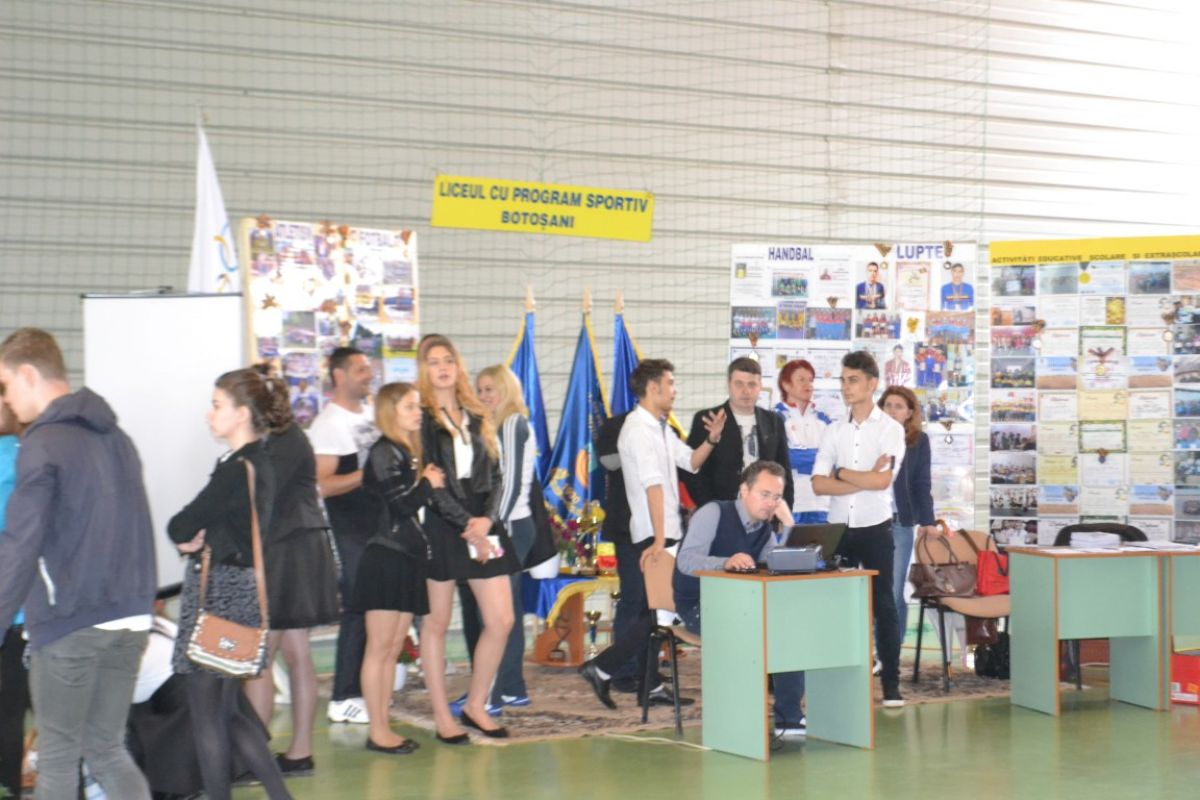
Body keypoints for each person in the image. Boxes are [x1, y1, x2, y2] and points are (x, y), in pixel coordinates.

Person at [0, 328, 156, 800]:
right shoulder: (117, 437)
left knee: (58, 759)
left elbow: (20, 543)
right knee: (106, 749)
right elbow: (139, 527)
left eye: (5, 385)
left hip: (70, 623)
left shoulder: (42, 443)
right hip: (131, 618)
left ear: (29, 375)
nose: (5, 400)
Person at [167, 368, 292, 800]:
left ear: (241, 414)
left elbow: (181, 523)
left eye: (217, 405)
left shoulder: (237, 468)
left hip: (217, 593)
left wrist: (190, 536)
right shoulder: (260, 461)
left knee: (207, 715)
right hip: (242, 592)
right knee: (229, 711)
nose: (209, 413)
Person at [578, 358, 724, 708]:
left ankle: (643, 683)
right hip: (651, 535)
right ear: (653, 388)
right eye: (670, 384)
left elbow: (691, 462)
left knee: (657, 612)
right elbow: (652, 487)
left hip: (666, 532)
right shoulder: (636, 430)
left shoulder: (660, 427)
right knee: (654, 612)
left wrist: (712, 439)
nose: (675, 390)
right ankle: (606, 668)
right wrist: (659, 540)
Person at [418, 335, 518, 743]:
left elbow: (496, 474)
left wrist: (485, 520)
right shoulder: (421, 419)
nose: (443, 367)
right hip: (443, 523)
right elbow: (429, 483)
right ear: (423, 370)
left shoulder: (477, 413)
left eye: (448, 360)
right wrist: (467, 524)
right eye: (433, 361)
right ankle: (443, 716)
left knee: (502, 619)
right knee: (437, 622)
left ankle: (476, 704)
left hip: (482, 520)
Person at [243, 369, 340, 777]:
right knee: (296, 654)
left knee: (260, 658)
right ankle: (298, 752)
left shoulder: (273, 443)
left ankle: (253, 758)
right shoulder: (288, 436)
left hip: (285, 552)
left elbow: (258, 504)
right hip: (300, 549)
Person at [673, 461, 803, 736]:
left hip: (744, 604)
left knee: (791, 630)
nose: (771, 503)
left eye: (776, 497)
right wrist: (724, 563)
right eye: (764, 495)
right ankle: (738, 719)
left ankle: (789, 718)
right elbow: (686, 560)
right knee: (749, 631)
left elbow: (778, 565)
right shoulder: (713, 513)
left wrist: (789, 526)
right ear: (744, 490)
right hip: (700, 604)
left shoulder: (764, 528)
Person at [811, 351, 907, 707]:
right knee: (838, 608)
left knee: (884, 606)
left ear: (872, 383)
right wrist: (860, 477)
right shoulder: (834, 429)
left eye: (853, 380)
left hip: (875, 527)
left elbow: (882, 481)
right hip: (838, 529)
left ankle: (891, 684)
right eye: (843, 380)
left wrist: (841, 473)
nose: (846, 387)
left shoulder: (890, 429)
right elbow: (818, 484)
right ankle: (840, 682)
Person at [353, 382, 443, 754]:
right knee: (379, 648)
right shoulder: (384, 451)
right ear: (391, 411)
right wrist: (427, 484)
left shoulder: (404, 452)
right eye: (409, 407)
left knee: (392, 647)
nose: (418, 413)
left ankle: (383, 724)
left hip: (406, 556)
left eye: (418, 406)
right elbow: (401, 505)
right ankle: (377, 730)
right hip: (385, 557)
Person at [307, 346, 378, 725]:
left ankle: (366, 686)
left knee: (376, 611)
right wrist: (370, 473)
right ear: (339, 376)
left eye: (369, 369)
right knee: (356, 610)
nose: (369, 375)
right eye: (361, 370)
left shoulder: (372, 414)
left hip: (378, 528)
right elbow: (323, 486)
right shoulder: (328, 425)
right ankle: (344, 696)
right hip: (349, 530)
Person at [476, 365, 537, 710]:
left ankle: (494, 693)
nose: (484, 395)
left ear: (506, 389)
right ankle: (512, 687)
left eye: (490, 389)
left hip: (511, 526)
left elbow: (510, 484)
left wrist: (493, 527)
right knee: (506, 611)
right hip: (507, 525)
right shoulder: (494, 425)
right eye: (480, 390)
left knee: (498, 614)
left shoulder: (513, 423)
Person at [685, 357, 793, 511]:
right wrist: (711, 509)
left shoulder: (774, 421)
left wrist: (782, 514)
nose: (746, 391)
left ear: (760, 386)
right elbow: (692, 473)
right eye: (739, 384)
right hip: (721, 511)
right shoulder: (708, 418)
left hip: (765, 513)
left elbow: (784, 472)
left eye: (752, 384)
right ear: (728, 385)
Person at [879, 386, 937, 646]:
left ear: (910, 412)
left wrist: (928, 521)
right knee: (870, 592)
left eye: (899, 406)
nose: (892, 411)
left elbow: (921, 484)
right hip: (867, 524)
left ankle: (890, 654)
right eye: (888, 405)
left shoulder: (918, 441)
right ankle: (868, 653)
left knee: (893, 592)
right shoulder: (868, 436)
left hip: (898, 524)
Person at [0, 388, 29, 799]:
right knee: (13, 708)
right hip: (23, 608)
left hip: (13, 607)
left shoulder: (14, 457)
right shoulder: (30, 453)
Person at [774, 359, 832, 524]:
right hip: (790, 507)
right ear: (786, 385)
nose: (808, 385)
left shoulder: (823, 419)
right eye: (801, 380)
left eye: (810, 380)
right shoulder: (775, 417)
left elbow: (835, 459)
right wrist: (818, 458)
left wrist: (802, 458)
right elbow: (781, 459)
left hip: (823, 506)